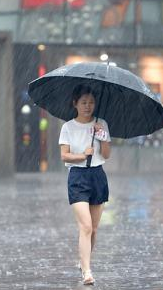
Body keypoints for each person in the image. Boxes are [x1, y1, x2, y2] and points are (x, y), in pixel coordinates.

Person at [58, 85, 111, 285]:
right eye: (83, 102)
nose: (88, 106)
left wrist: (102, 137)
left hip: (98, 175)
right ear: (75, 104)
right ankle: (87, 271)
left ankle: (84, 261)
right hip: (77, 177)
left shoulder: (101, 124)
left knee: (94, 228)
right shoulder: (68, 127)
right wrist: (82, 155)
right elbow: (64, 155)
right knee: (85, 226)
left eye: (91, 102)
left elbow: (106, 155)